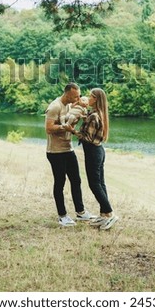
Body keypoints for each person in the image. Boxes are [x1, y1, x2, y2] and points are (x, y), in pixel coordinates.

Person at [45, 83, 95, 227]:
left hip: (68, 149)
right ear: (67, 94)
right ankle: (62, 216)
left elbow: (71, 122)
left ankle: (80, 212)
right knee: (60, 182)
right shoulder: (55, 107)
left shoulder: (70, 106)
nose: (78, 98)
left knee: (76, 180)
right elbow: (48, 128)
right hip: (55, 152)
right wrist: (63, 127)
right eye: (75, 96)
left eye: (79, 95)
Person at [69, 88, 118, 231]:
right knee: (100, 183)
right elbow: (89, 120)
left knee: (94, 184)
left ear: (96, 99)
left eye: (90, 96)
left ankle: (109, 213)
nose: (87, 98)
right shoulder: (98, 114)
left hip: (92, 152)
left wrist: (73, 131)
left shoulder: (94, 116)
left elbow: (88, 138)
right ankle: (104, 214)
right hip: (99, 151)